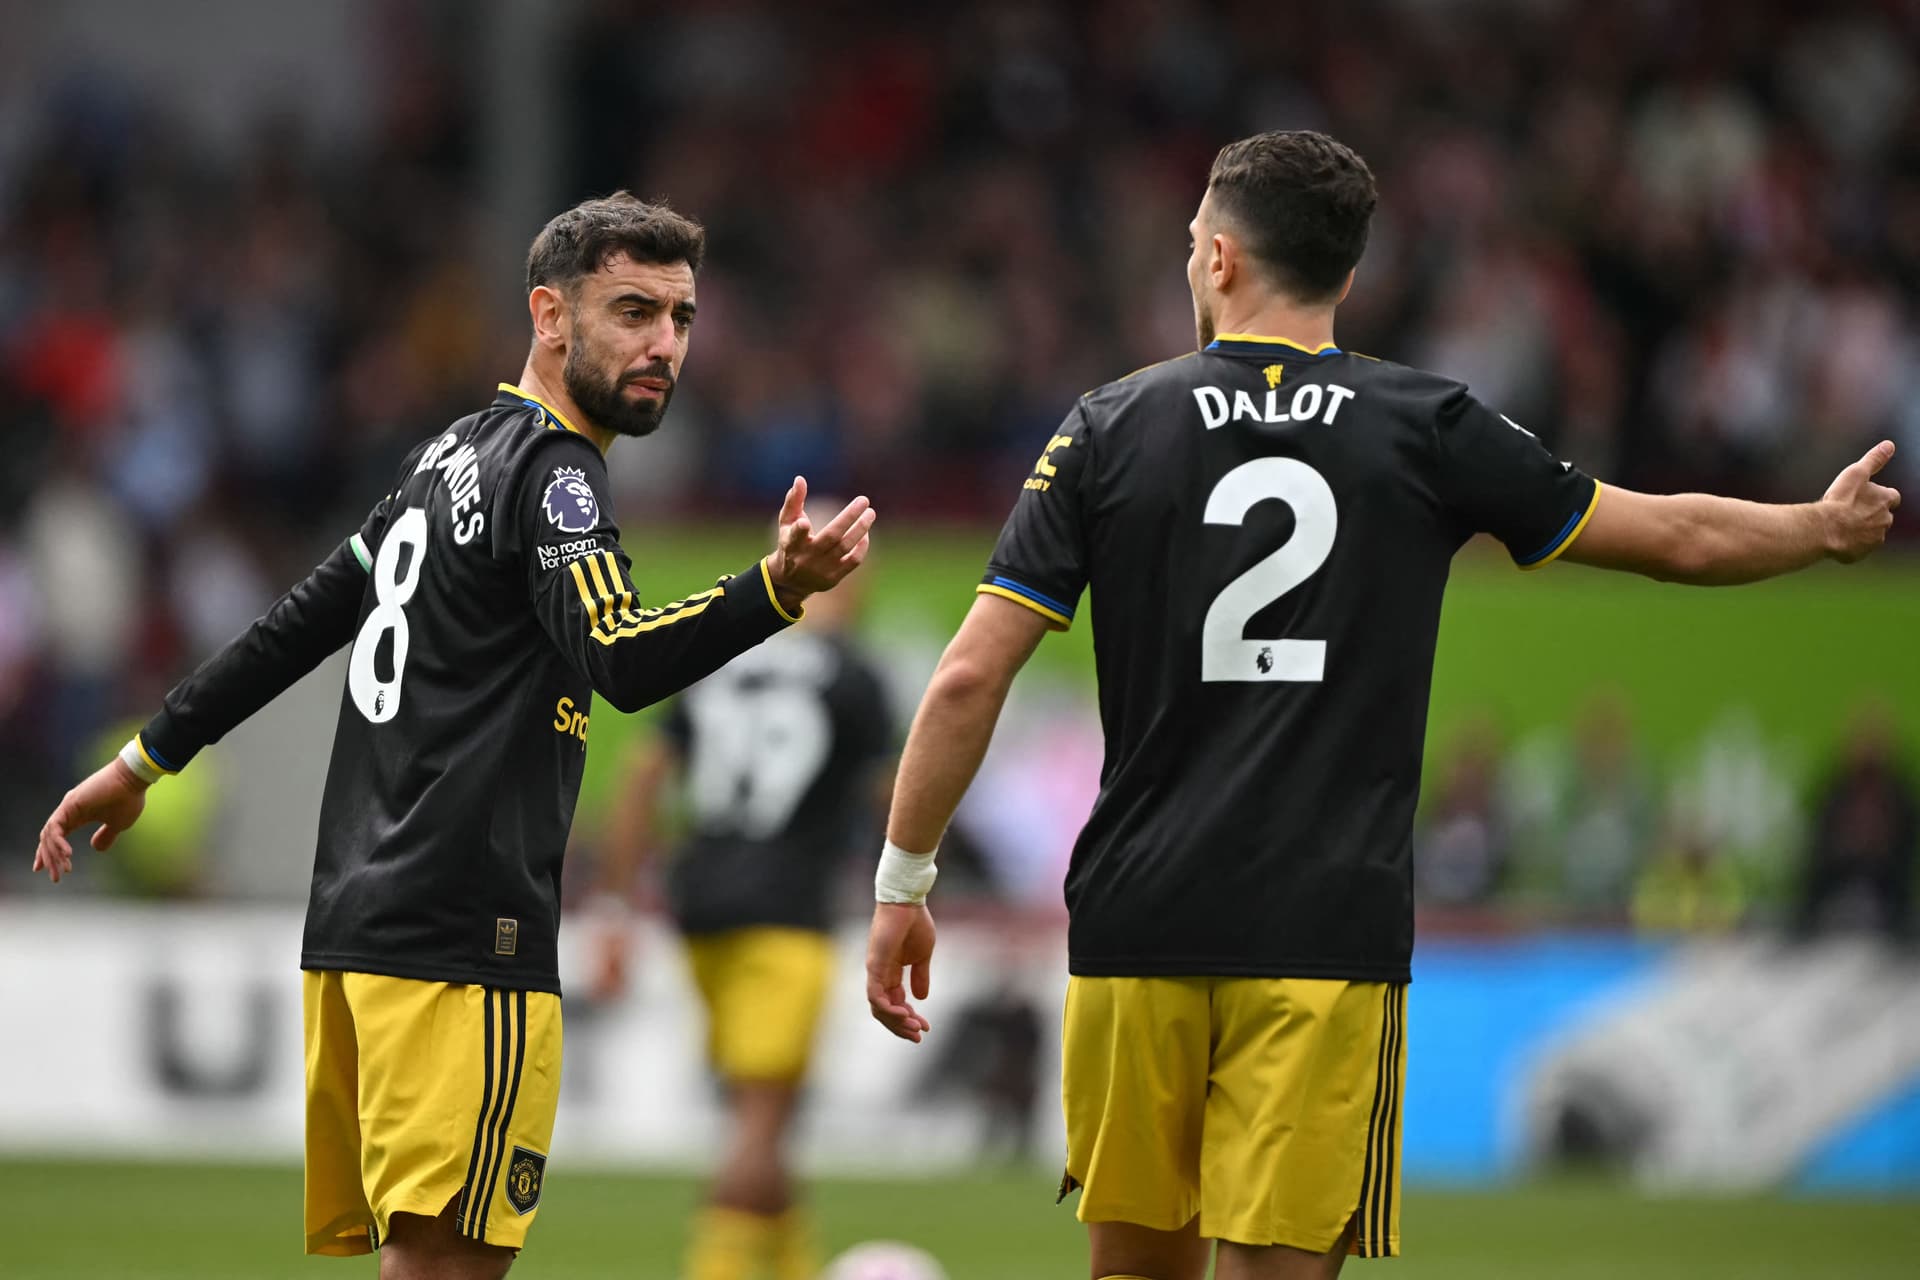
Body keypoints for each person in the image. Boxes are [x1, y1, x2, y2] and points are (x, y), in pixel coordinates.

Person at [862, 130, 1900, 1280]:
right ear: (1347, 276)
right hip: (1325, 929)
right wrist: (1818, 525)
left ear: (1215, 259)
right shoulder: (1427, 424)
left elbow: (967, 673)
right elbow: (1674, 533)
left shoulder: (1107, 425)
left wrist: (904, 878)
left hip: (1137, 923)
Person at [32, 193, 877, 1280]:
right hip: (463, 941)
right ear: (550, 314)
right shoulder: (556, 472)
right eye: (632, 310)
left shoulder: (444, 458)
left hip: (360, 934)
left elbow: (302, 620)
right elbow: (619, 654)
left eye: (680, 317)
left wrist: (145, 756)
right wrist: (770, 589)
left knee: (423, 1265)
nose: (664, 343)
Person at [598, 526, 893, 1280]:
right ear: (848, 579)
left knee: (761, 1115)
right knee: (761, 1126)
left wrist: (617, 910)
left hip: (699, 905)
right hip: (787, 911)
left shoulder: (718, 660)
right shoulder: (853, 675)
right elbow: (894, 797)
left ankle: (795, 1266)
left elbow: (639, 783)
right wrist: (915, 888)